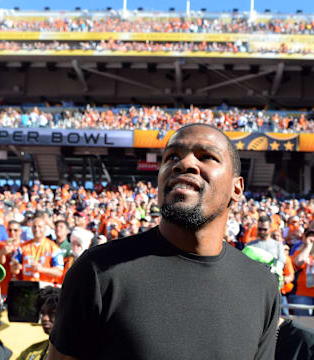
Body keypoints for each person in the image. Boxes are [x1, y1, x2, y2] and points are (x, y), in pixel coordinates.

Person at [48, 124, 280, 360]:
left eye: (207, 157)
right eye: (172, 156)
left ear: (237, 188)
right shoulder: (98, 271)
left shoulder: (262, 286)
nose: (184, 164)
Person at [11, 215, 64, 285]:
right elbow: (13, 269)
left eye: (40, 226)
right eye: (34, 226)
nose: (36, 229)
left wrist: (42, 269)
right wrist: (16, 267)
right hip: (27, 286)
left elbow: (59, 272)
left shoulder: (53, 248)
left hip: (45, 287)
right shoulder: (22, 247)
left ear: (45, 228)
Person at [16, 286, 60, 360]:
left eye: (52, 313)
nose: (44, 318)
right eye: (42, 313)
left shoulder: (78, 351)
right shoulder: (32, 351)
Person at [289, 225, 314, 315]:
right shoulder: (299, 252)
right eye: (309, 236)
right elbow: (298, 262)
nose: (312, 238)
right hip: (302, 294)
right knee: (304, 325)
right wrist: (308, 246)